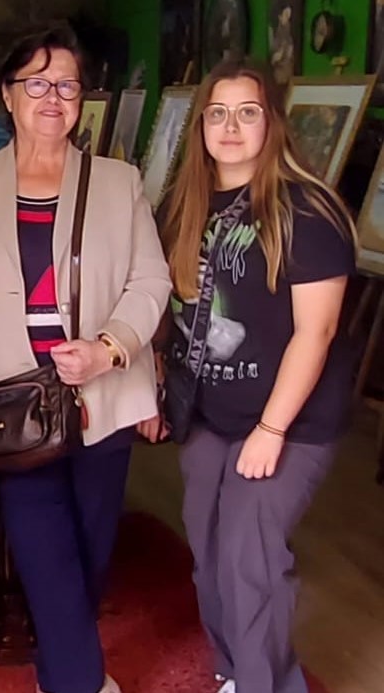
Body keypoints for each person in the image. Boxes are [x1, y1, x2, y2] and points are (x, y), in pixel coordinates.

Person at [0, 25, 171, 693]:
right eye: (36, 84)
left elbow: (151, 280)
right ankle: (80, 682)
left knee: (90, 551)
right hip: (12, 402)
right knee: (45, 554)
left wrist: (109, 348)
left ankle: (58, 670)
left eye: (66, 85)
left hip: (103, 393)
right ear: (8, 96)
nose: (52, 98)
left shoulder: (119, 182)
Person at [145, 58, 356, 693]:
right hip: (209, 414)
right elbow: (167, 307)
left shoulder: (307, 211)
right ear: (200, 126)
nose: (230, 127)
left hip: (289, 421)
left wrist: (271, 429)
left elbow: (316, 332)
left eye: (247, 112)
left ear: (273, 123)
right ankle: (233, 671)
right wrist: (155, 385)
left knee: (248, 559)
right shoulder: (182, 205)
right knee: (208, 554)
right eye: (217, 113)